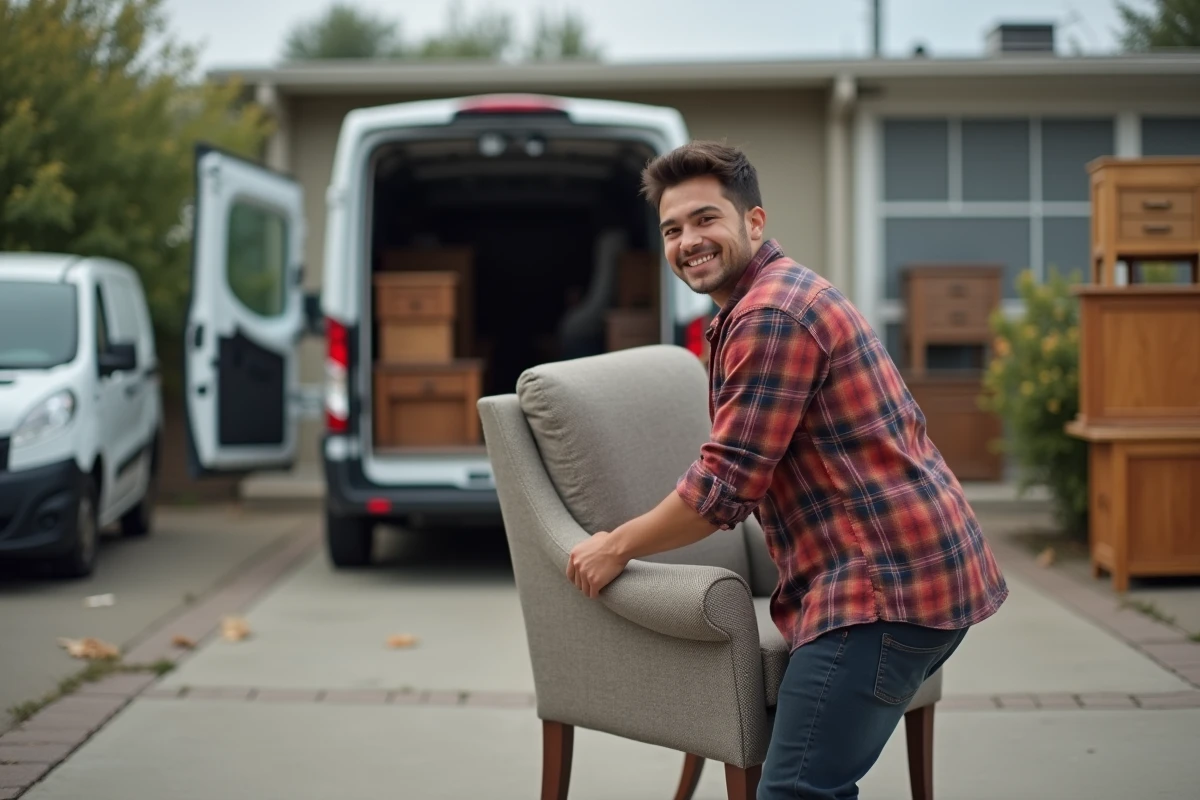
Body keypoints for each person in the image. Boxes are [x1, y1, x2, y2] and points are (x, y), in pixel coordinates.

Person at [565, 141, 1008, 799]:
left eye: (705, 219)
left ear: (754, 222)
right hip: (915, 576)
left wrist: (616, 545)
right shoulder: (766, 299)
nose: (688, 240)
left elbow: (724, 488)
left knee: (796, 792)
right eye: (672, 228)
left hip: (882, 594)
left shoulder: (772, 314)